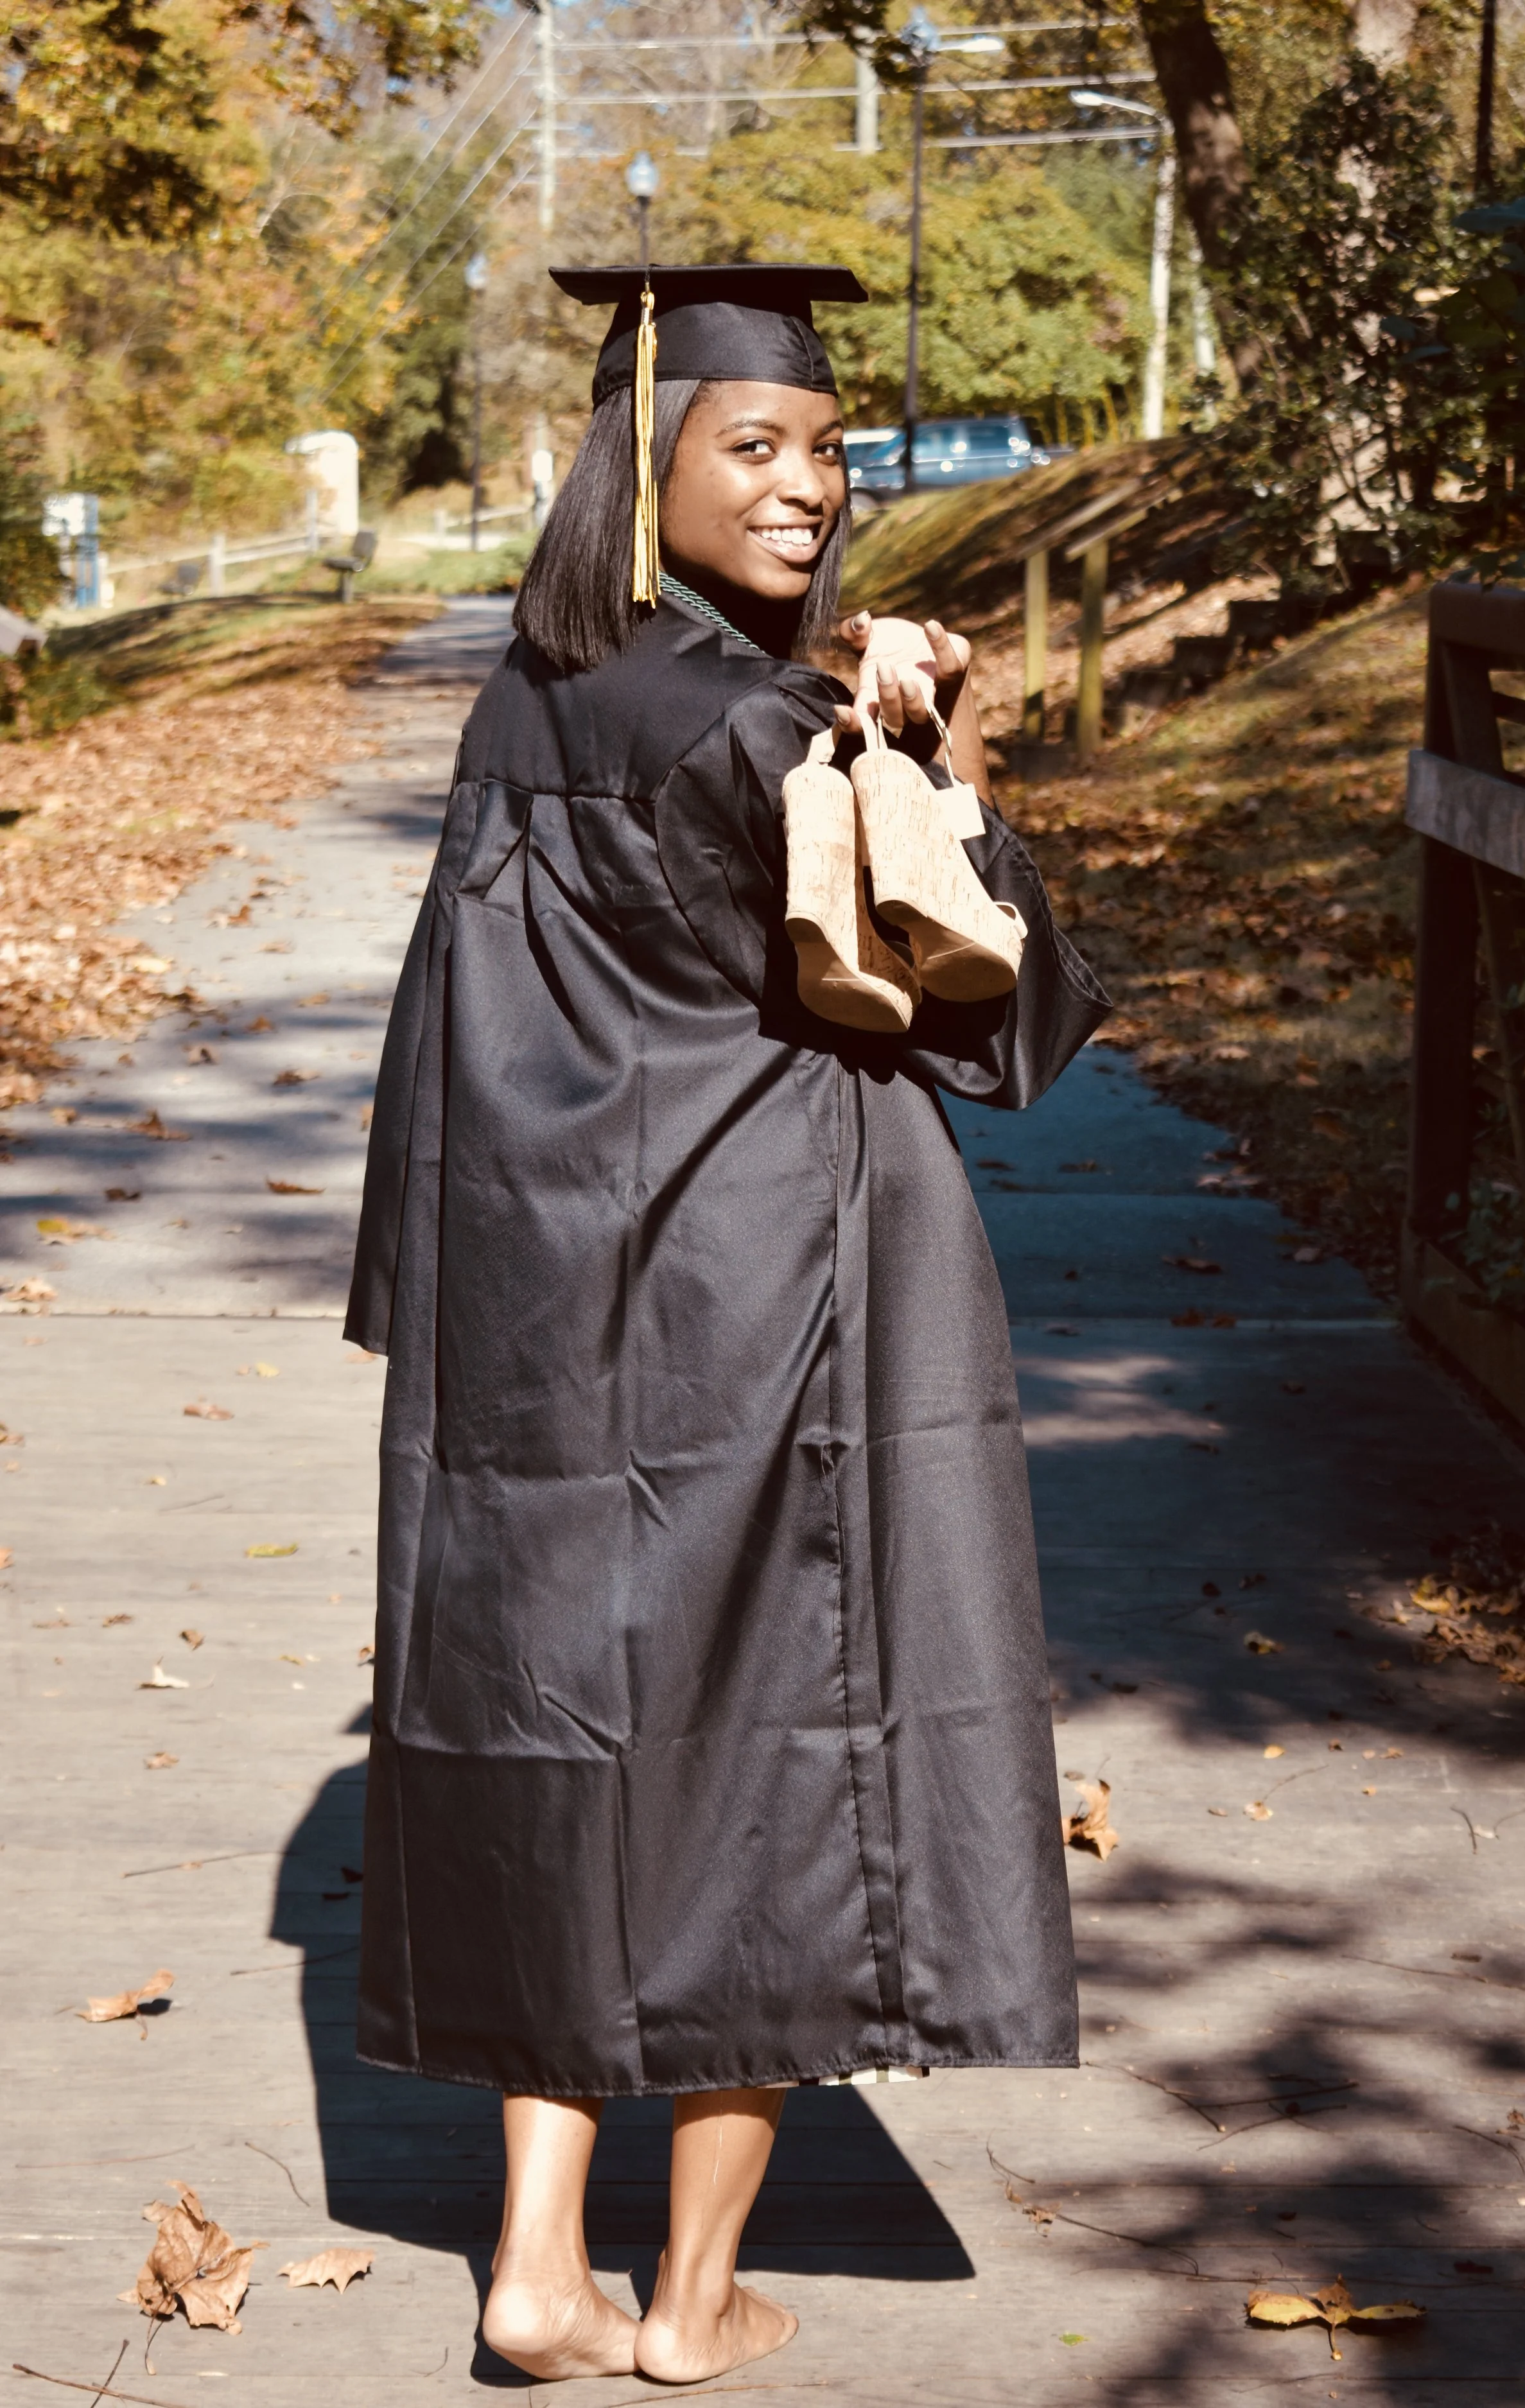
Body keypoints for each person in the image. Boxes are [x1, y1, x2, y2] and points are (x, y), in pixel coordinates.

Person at [345, 261, 1108, 2384]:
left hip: (545, 1315)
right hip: (781, 1304)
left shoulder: (532, 698)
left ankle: (530, 2262)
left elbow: (458, 1040)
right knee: (790, 1757)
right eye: (751, 447)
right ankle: (686, 2303)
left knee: (565, 1759)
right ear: (644, 465)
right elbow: (1003, 1015)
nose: (808, 486)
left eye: (826, 449)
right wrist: (934, 743)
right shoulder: (774, 731)